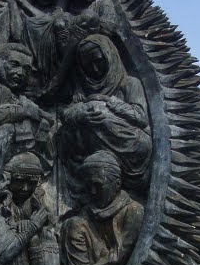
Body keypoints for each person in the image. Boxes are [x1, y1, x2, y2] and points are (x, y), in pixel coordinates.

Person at [60, 34, 152, 190]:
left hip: (131, 143)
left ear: (109, 56)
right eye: (88, 65)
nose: (95, 69)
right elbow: (67, 113)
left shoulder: (130, 83)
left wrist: (109, 101)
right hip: (94, 147)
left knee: (98, 109)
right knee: (70, 128)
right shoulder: (82, 88)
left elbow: (141, 117)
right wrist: (82, 113)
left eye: (98, 62)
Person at [62, 151, 144, 265]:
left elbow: (119, 257)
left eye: (98, 185)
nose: (92, 191)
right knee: (73, 224)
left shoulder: (133, 211)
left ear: (117, 184)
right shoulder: (89, 210)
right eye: (89, 186)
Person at [0, 43, 52, 188]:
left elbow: (46, 118)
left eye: (26, 69)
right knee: (6, 131)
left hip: (24, 158)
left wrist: (38, 119)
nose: (20, 73)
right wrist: (21, 112)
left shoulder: (22, 99)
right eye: (14, 65)